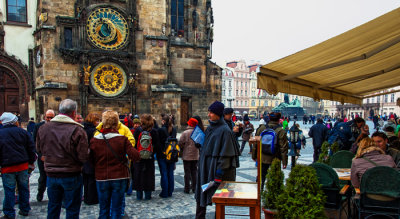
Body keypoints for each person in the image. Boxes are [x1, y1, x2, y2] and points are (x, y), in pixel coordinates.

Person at [36, 99, 89, 219]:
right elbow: (83, 156)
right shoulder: (78, 130)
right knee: (72, 209)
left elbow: (39, 149)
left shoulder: (43, 128)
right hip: (71, 175)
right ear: (74, 113)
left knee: (53, 206)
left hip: (51, 174)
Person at [89, 110, 140, 219]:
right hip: (119, 176)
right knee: (116, 209)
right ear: (116, 123)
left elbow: (90, 160)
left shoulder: (94, 140)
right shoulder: (122, 139)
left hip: (101, 177)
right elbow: (135, 156)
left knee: (103, 208)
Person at [195, 101, 240, 219]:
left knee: (219, 200)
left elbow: (226, 154)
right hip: (205, 167)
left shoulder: (225, 130)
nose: (209, 114)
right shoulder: (210, 127)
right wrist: (199, 143)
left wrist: (218, 174)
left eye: (211, 112)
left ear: (218, 114)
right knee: (201, 196)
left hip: (215, 170)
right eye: (209, 112)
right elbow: (207, 144)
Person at [0, 112, 37, 218]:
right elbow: (31, 148)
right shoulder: (22, 132)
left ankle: (9, 212)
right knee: (23, 188)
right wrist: (31, 162)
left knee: (9, 190)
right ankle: (25, 209)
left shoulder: (0, 133)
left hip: (7, 167)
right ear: (14, 121)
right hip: (23, 165)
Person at [251, 112, 288, 190]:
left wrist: (254, 156)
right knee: (275, 177)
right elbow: (283, 148)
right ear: (279, 120)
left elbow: (256, 144)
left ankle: (259, 191)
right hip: (275, 158)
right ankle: (273, 193)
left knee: (261, 176)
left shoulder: (261, 128)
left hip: (262, 157)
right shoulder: (280, 131)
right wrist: (284, 162)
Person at [132, 114, 159, 200]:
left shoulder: (137, 131)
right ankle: (148, 195)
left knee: (138, 175)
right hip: (149, 158)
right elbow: (157, 145)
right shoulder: (154, 131)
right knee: (149, 176)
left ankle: (139, 195)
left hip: (138, 157)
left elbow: (134, 144)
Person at [32, 109, 55, 202]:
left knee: (53, 176)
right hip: (42, 156)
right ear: (44, 117)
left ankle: (53, 195)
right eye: (47, 117)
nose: (49, 119)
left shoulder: (57, 126)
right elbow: (34, 141)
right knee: (43, 177)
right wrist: (40, 154)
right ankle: (40, 192)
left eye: (51, 117)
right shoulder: (38, 126)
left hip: (54, 156)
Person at [82, 112, 101, 205]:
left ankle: (86, 197)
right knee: (92, 179)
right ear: (93, 121)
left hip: (84, 156)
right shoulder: (93, 131)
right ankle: (92, 198)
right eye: (97, 120)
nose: (98, 122)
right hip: (92, 157)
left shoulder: (82, 129)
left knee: (86, 178)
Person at [157, 115, 177, 198]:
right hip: (172, 154)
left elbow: (158, 143)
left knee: (164, 173)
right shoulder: (174, 129)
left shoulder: (161, 130)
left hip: (163, 154)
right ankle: (170, 191)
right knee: (170, 173)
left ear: (163, 121)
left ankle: (164, 192)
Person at [179, 118, 200, 194]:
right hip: (195, 155)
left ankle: (187, 188)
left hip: (187, 156)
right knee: (194, 172)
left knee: (187, 172)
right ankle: (194, 187)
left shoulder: (185, 133)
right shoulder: (197, 133)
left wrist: (183, 148)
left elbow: (180, 142)